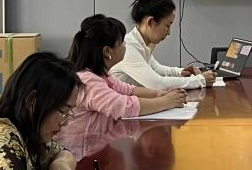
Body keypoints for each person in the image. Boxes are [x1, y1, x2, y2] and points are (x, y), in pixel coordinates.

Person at [57, 14, 189, 156]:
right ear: (107, 51)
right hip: (78, 156)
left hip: (96, 149)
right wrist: (166, 102)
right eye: (122, 43)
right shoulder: (87, 81)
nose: (126, 46)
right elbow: (123, 107)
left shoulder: (101, 75)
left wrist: (158, 94)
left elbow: (128, 89)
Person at [111, 0, 216, 90]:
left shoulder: (141, 43)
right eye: (167, 26)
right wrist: (200, 80)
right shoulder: (129, 48)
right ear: (151, 22)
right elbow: (158, 84)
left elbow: (156, 68)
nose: (169, 32)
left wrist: (180, 72)